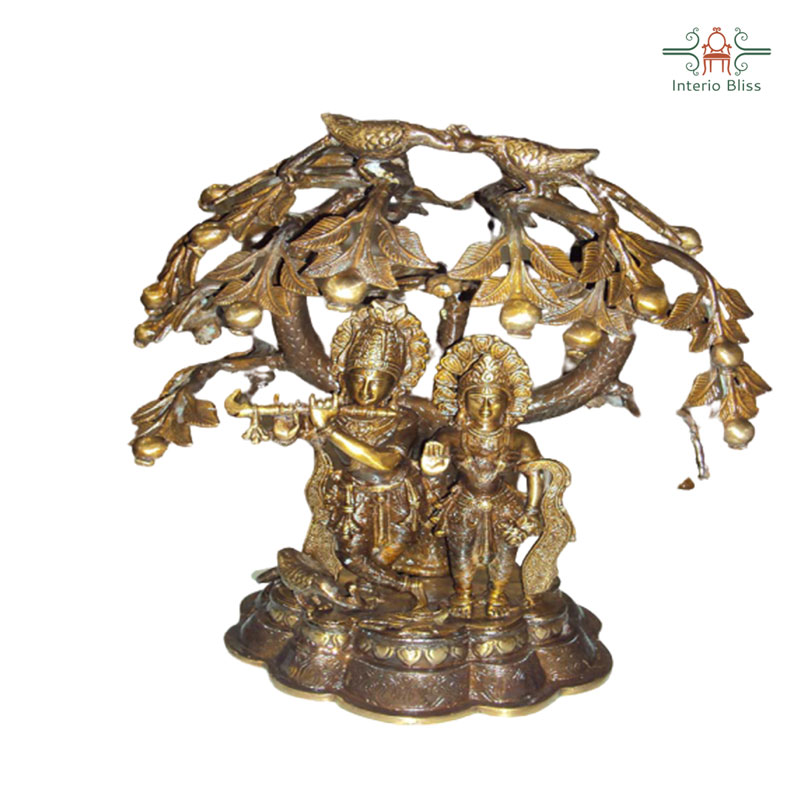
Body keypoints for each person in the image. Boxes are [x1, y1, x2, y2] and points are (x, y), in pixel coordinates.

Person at [422, 336, 543, 618]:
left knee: (506, 552)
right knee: (460, 551)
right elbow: (432, 473)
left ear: (508, 403)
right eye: (477, 399)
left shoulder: (519, 439)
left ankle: (498, 594)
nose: (486, 408)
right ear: (462, 403)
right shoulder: (451, 436)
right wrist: (431, 468)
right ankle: (463, 593)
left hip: (504, 503)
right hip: (464, 502)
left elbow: (536, 473)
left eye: (494, 400)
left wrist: (531, 511)